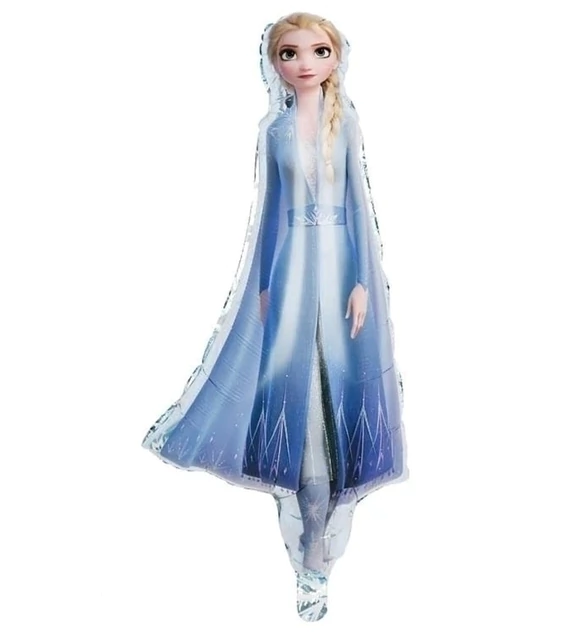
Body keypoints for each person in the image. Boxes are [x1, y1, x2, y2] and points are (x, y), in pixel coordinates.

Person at [141, 12, 406, 621]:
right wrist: (264, 283)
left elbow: (359, 208)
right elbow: (268, 215)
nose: (304, 63)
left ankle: (324, 538)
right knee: (294, 389)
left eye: (318, 51)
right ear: (274, 63)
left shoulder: (346, 125)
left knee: (340, 386)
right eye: (290, 53)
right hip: (290, 273)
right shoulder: (276, 131)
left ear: (336, 58)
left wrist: (362, 281)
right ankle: (308, 553)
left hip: (339, 271)